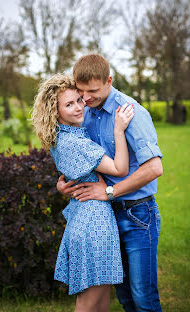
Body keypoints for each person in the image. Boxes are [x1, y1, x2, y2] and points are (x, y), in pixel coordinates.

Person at [57, 54, 163, 312]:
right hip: (106, 216)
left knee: (143, 297)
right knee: (125, 297)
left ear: (109, 81)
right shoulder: (86, 110)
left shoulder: (130, 112)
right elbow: (83, 156)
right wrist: (65, 183)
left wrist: (109, 191)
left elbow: (154, 168)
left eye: (92, 91)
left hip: (138, 213)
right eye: (81, 92)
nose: (86, 98)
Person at [31, 73, 134, 312]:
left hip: (87, 219)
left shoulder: (63, 136)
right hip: (93, 225)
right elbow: (120, 168)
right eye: (69, 104)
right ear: (55, 111)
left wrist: (61, 185)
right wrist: (119, 130)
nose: (79, 107)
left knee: (100, 304)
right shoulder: (77, 143)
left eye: (78, 99)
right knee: (89, 304)